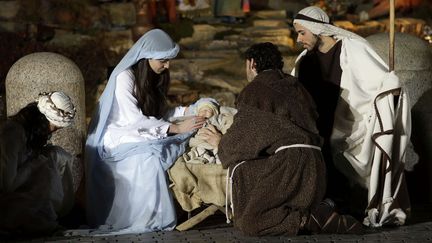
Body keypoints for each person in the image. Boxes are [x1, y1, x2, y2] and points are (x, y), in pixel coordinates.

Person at [199, 42, 363, 236]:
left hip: (290, 165)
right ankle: (322, 208)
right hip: (316, 165)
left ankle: (311, 219)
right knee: (252, 172)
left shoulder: (256, 90)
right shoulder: (296, 86)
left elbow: (245, 133)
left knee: (252, 222)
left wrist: (221, 142)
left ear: (251, 64)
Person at [291, 6, 411, 227]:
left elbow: (378, 80)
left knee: (350, 176)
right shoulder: (304, 60)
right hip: (317, 127)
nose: (298, 39)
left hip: (351, 122)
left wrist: (390, 85)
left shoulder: (352, 48)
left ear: (318, 29)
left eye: (302, 32)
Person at [85, 29, 206, 234]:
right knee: (148, 156)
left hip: (138, 130)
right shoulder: (124, 77)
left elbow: (161, 112)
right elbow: (133, 118)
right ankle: (147, 217)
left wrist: (190, 110)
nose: (167, 65)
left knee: (169, 145)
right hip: (119, 135)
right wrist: (175, 128)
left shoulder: (153, 76)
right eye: (164, 60)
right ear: (147, 57)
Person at [0, 91, 76, 235]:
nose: (52, 132)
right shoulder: (13, 133)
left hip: (23, 194)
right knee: (46, 163)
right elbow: (7, 184)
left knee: (56, 154)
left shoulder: (30, 132)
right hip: (7, 202)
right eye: (54, 128)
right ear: (43, 120)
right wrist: (35, 164)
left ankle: (60, 211)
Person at [177, 98, 236, 164]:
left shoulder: (218, 118)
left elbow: (228, 123)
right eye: (201, 111)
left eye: (207, 110)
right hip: (199, 144)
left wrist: (220, 142)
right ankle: (203, 156)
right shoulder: (194, 122)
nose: (204, 113)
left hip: (216, 144)